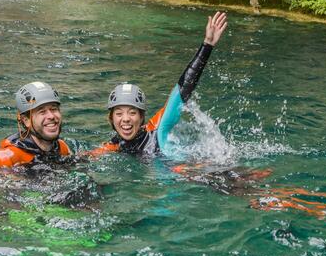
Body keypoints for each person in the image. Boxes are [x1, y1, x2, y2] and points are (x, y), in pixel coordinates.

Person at [87, 12, 228, 158]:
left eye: (132, 112)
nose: (126, 118)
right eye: (119, 113)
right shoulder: (112, 147)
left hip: (195, 172)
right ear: (111, 119)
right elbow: (82, 159)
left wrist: (207, 45)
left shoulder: (157, 129)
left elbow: (183, 90)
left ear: (142, 117)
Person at [0, 82, 71, 169]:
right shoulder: (9, 155)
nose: (51, 116)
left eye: (54, 109)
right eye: (42, 112)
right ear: (26, 120)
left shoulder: (61, 147)